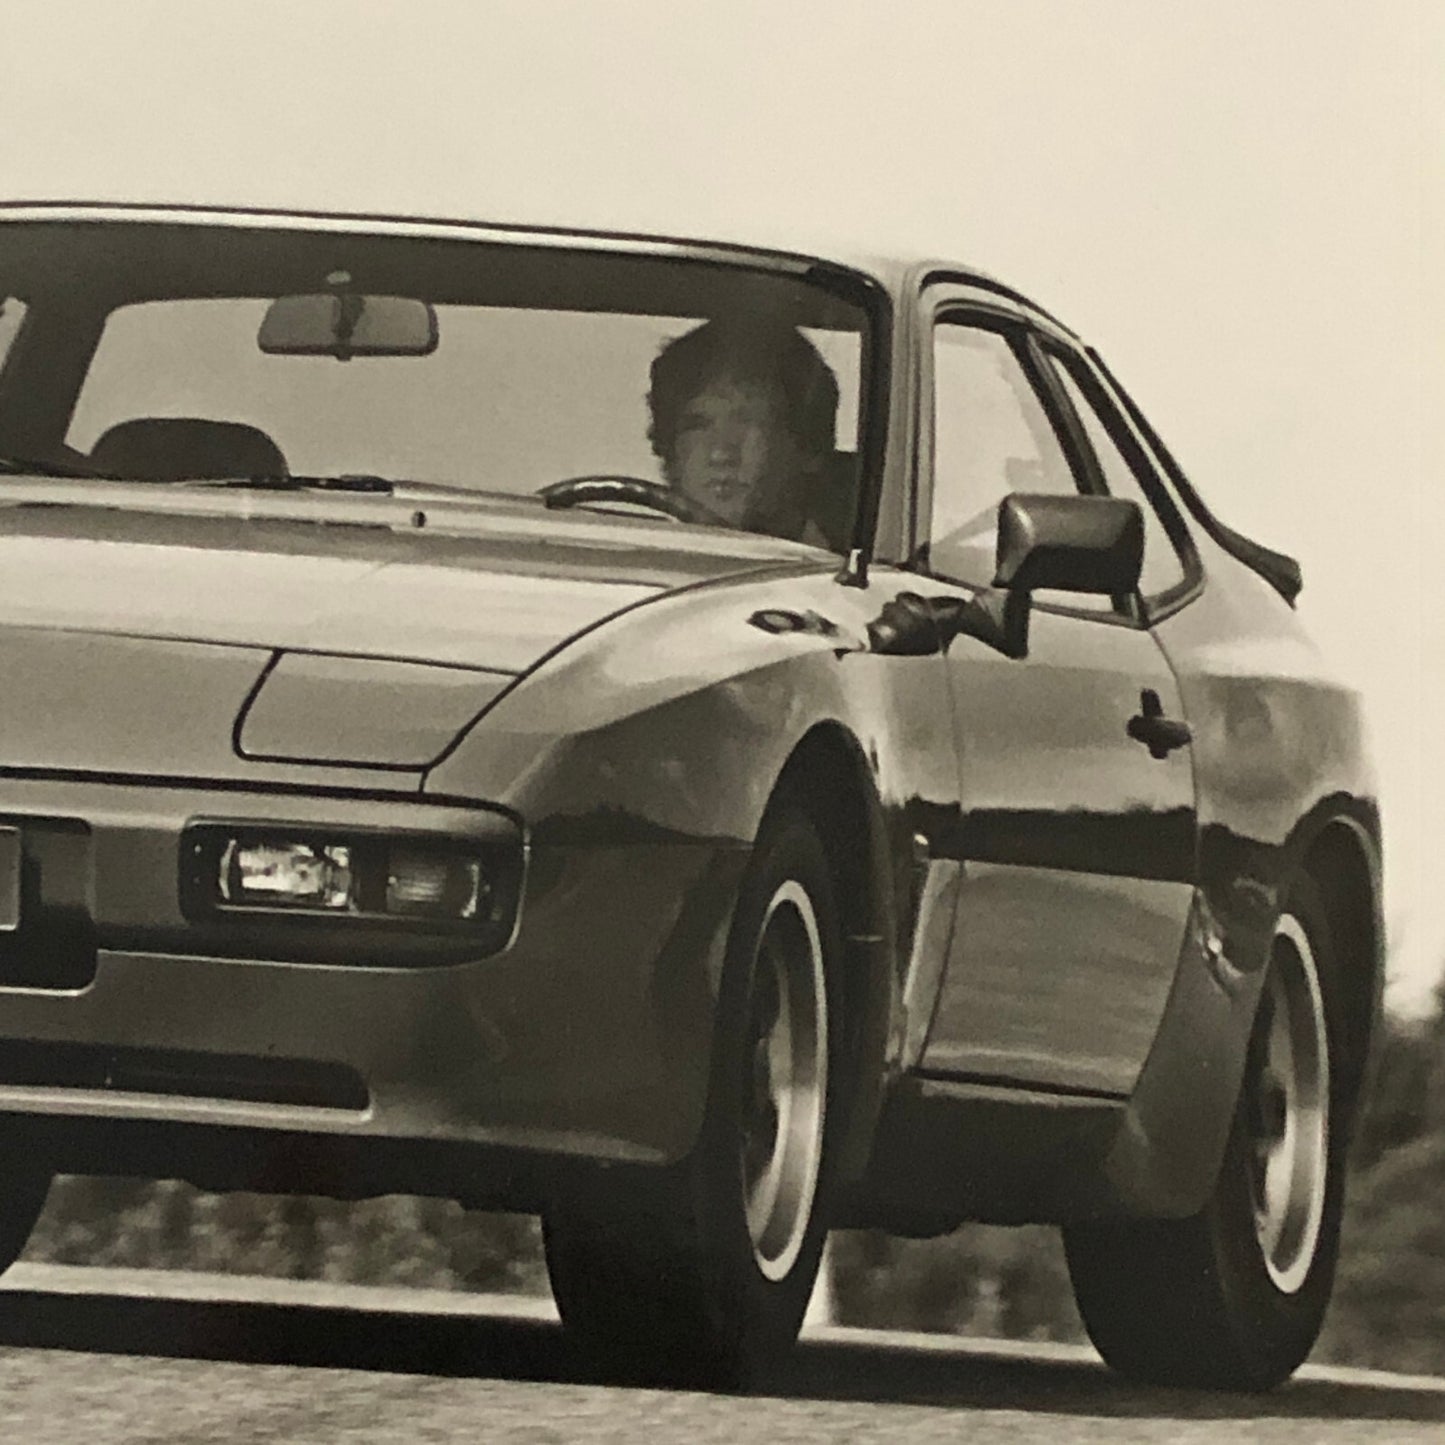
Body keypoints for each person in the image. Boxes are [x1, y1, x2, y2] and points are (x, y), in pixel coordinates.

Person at [647, 318, 843, 545]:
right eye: (697, 425)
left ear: (809, 446)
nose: (720, 455)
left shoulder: (851, 574)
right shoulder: (639, 566)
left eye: (750, 422)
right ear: (667, 447)